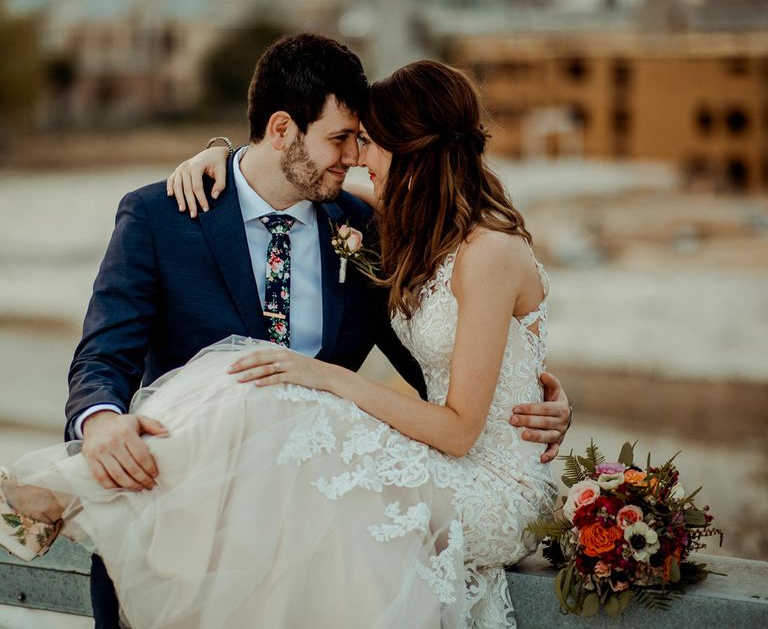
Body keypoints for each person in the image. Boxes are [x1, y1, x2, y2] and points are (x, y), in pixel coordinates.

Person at [0, 36, 568, 628]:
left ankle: (55, 491)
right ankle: (69, 483)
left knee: (265, 388)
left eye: (362, 140)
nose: (353, 157)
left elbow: (441, 361)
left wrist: (535, 400)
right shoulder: (162, 217)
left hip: (309, 538)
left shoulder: (369, 226)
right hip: (188, 542)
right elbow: (101, 357)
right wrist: (101, 423)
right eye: (341, 138)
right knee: (238, 376)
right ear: (280, 129)